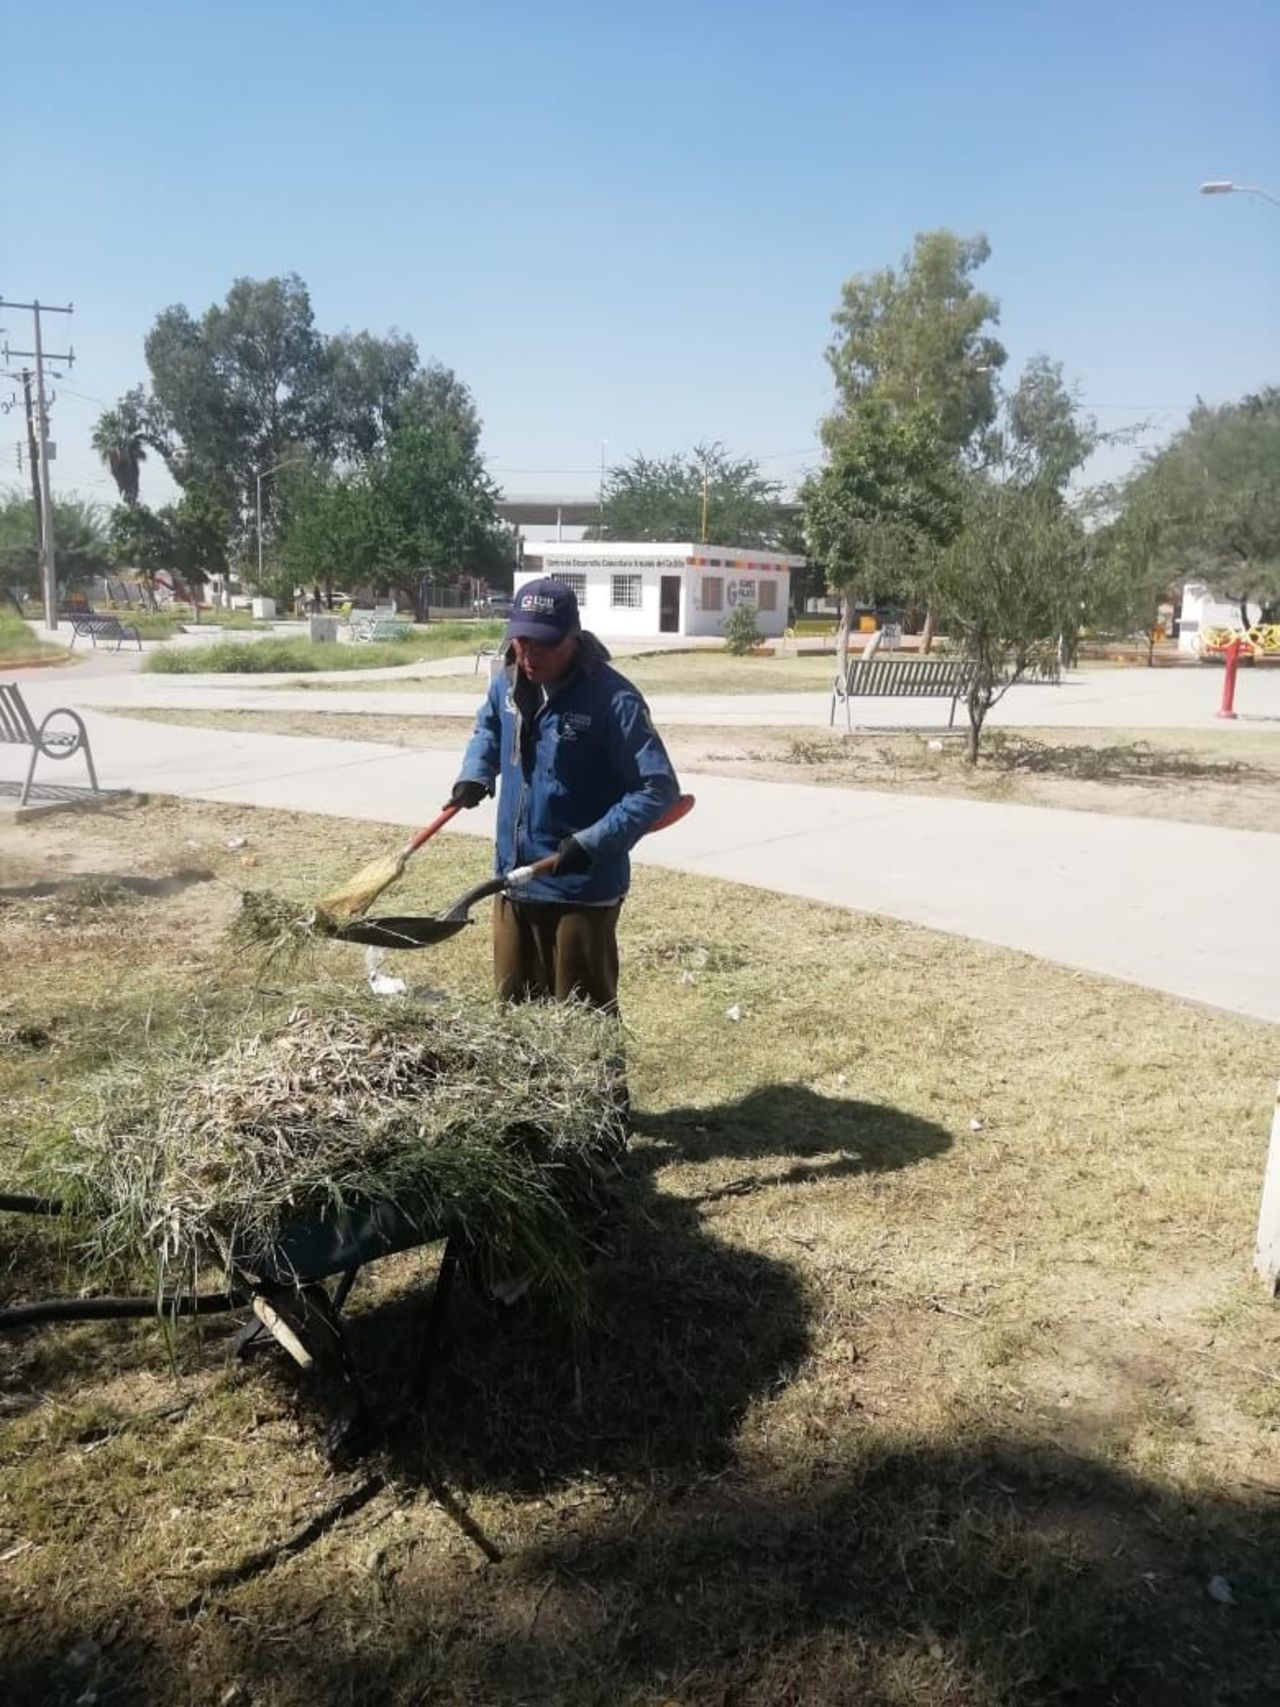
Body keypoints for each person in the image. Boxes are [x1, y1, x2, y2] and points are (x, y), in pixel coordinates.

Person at [447, 577, 680, 1017]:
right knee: (516, 1020)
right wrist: (476, 771)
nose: (529, 655)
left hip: (579, 892)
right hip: (513, 880)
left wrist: (592, 842)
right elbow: (490, 727)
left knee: (581, 1025)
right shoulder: (509, 683)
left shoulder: (614, 700)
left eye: (544, 645)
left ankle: (599, 1091)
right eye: (521, 642)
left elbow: (658, 789)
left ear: (573, 637)